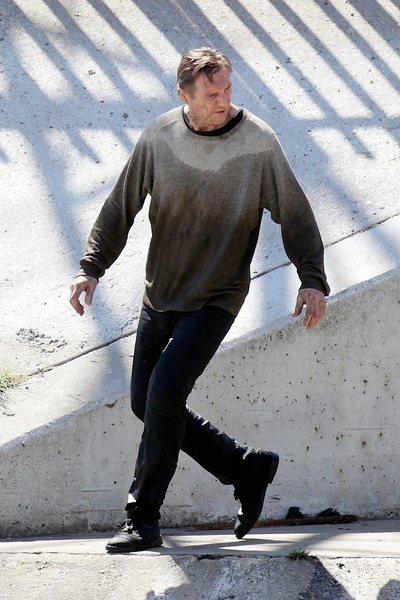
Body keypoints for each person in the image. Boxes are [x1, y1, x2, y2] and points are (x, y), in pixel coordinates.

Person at [70, 47, 330, 553]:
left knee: (165, 393)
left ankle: (142, 518)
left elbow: (295, 213)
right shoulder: (160, 137)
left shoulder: (257, 143)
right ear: (184, 94)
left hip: (218, 295)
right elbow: (121, 206)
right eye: (212, 93)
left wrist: (312, 279)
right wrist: (90, 267)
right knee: (146, 403)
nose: (224, 100)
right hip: (161, 293)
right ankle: (244, 466)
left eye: (228, 89)